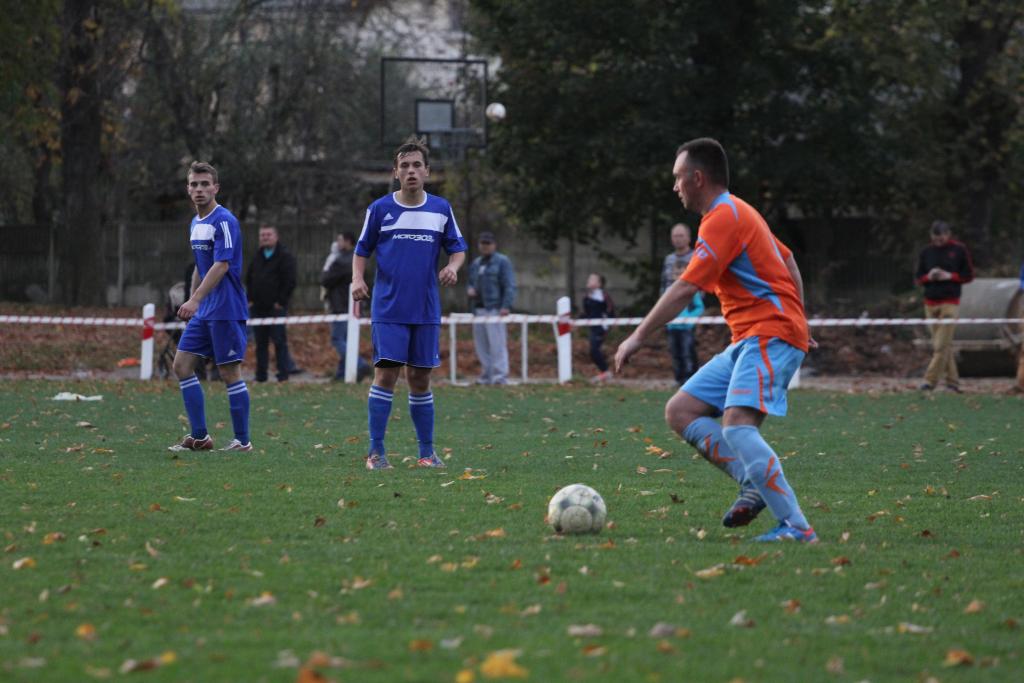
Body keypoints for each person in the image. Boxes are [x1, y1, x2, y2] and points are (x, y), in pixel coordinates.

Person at [615, 137, 817, 543]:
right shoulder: (738, 211)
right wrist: (801, 318)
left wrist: (637, 336)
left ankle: (797, 527)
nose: (675, 186)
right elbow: (789, 260)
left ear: (697, 178)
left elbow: (685, 287)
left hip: (769, 333)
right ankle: (752, 481)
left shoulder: (724, 216)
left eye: (678, 177)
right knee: (681, 411)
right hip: (751, 338)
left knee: (738, 426)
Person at [351, 136, 467, 470]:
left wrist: (453, 267)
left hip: (425, 308)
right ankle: (376, 453)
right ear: (395, 172)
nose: (411, 171)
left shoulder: (440, 209)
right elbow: (361, 250)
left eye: (417, 165)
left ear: (427, 171)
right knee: (386, 376)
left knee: (420, 379)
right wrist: (357, 279)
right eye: (405, 166)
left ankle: (427, 454)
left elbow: (458, 249)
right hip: (389, 308)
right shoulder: (380, 209)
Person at [168, 161, 252, 452]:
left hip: (226, 308)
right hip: (205, 310)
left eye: (205, 184)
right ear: (188, 189)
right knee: (181, 366)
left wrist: (195, 300)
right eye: (194, 184)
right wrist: (193, 300)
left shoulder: (224, 220)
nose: (199, 189)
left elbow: (221, 265)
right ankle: (200, 437)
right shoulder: (196, 223)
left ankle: (242, 441)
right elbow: (200, 266)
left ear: (216, 188)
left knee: (229, 373)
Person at [914, 220, 974, 392]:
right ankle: (953, 383)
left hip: (950, 303)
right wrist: (929, 277)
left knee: (940, 346)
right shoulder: (926, 252)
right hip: (930, 303)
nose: (937, 242)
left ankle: (929, 381)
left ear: (948, 234)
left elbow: (969, 275)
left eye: (940, 238)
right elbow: (918, 278)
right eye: (934, 238)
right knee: (944, 345)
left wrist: (950, 276)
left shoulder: (959, 250)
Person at [246, 224, 301, 382]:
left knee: (279, 341)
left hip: (276, 308)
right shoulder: (257, 256)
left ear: (276, 237)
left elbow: (290, 281)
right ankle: (261, 375)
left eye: (268, 235)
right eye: (262, 235)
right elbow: (249, 279)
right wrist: (250, 299)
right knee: (260, 343)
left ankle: (283, 375)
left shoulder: (285, 256)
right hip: (257, 308)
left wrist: (281, 302)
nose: (265, 238)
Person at [320, 231, 372, 382]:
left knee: (337, 339)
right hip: (354, 305)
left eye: (340, 240)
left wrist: (328, 266)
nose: (337, 243)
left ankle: (360, 364)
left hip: (340, 306)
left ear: (348, 241)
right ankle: (341, 374)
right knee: (347, 340)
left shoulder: (341, 260)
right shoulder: (360, 260)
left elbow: (325, 279)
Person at [466, 231, 517, 385]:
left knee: (497, 344)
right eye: (483, 243)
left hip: (494, 309)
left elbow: (509, 285)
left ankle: (500, 376)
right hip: (478, 309)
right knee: (481, 345)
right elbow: (470, 282)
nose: (485, 246)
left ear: (494, 245)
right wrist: (470, 290)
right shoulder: (476, 263)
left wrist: (506, 306)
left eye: (488, 243)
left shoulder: (502, 261)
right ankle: (486, 376)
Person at [662, 223, 704, 384]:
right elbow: (663, 284)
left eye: (680, 235)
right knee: (674, 349)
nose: (677, 239)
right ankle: (679, 378)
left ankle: (691, 378)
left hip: (690, 309)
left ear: (688, 238)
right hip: (671, 314)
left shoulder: (696, 256)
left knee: (688, 348)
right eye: (674, 236)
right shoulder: (669, 259)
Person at [582, 273, 615, 382]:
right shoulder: (587, 297)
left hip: (602, 327)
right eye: (589, 279)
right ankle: (605, 372)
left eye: (592, 279)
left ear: (599, 284)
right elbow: (587, 313)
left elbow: (611, 310)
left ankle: (606, 372)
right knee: (593, 350)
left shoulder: (603, 296)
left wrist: (608, 323)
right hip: (593, 326)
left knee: (594, 350)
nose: (589, 280)